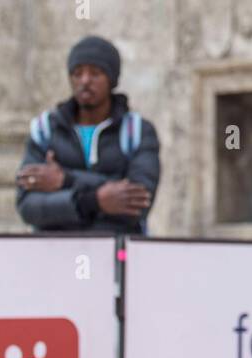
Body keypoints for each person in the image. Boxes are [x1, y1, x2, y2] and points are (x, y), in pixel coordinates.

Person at [16, 35, 159, 235]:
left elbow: (138, 202)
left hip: (114, 255)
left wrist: (65, 181)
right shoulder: (45, 130)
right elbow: (28, 207)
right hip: (53, 252)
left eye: (95, 73)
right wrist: (94, 201)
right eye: (77, 73)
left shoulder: (137, 131)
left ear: (112, 79)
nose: (84, 81)